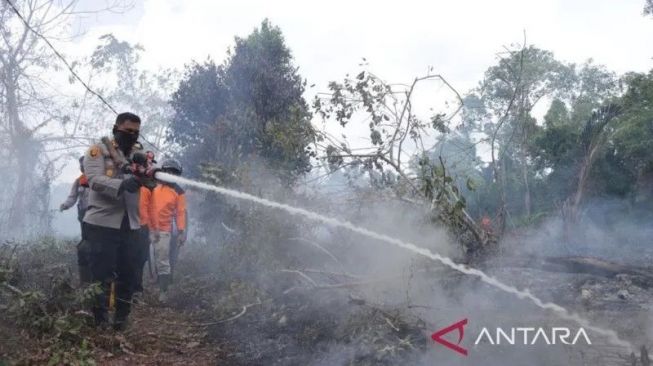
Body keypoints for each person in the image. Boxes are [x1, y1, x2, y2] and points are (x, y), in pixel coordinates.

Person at [83, 112, 146, 330]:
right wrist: (121, 185)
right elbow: (94, 180)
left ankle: (121, 321)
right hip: (102, 223)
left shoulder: (139, 154)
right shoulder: (97, 150)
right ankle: (100, 322)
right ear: (116, 128)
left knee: (128, 274)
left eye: (136, 132)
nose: (132, 135)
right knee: (101, 275)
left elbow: (149, 181)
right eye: (128, 131)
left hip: (131, 223)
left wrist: (149, 175)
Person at [149, 159, 187, 302]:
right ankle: (136, 290)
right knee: (139, 258)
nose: (170, 175)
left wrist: (181, 231)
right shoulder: (152, 185)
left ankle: (163, 291)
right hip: (145, 227)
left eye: (174, 173)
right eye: (168, 172)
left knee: (163, 261)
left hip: (164, 230)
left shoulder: (178, 191)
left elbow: (180, 212)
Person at [59, 156, 92, 284]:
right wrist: (65, 205)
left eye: (85, 164)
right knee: (85, 245)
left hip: (99, 217)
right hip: (84, 217)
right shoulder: (79, 181)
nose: (82, 167)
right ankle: (85, 281)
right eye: (81, 165)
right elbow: (72, 197)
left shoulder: (99, 179)